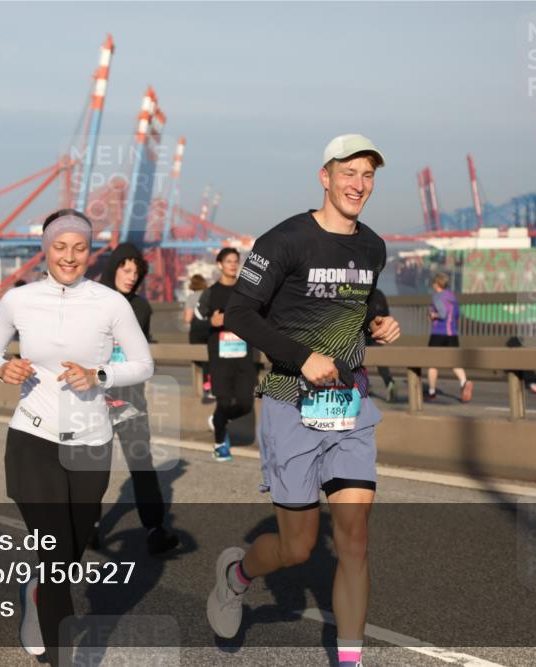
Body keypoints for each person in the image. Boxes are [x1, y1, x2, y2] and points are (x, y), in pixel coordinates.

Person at [206, 135, 401, 667]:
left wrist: (377, 324)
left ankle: (349, 659)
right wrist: (302, 355)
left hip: (349, 404)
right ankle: (237, 574)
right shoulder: (284, 240)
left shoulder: (373, 246)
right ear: (325, 176)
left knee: (355, 537)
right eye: (348, 173)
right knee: (297, 548)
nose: (358, 185)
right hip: (292, 403)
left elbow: (355, 306)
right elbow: (242, 313)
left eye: (368, 175)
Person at [0, 209, 153, 662]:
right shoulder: (19, 299)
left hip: (91, 442)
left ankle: (35, 594)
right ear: (46, 249)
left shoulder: (110, 302)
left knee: (69, 554)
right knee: (58, 559)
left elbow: (143, 363)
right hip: (32, 438)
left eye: (79, 247)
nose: (69, 257)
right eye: (60, 247)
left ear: (90, 252)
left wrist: (99, 374)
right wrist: (3, 368)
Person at [97, 242, 179, 555]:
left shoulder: (142, 307)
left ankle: (156, 529)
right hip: (94, 398)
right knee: (93, 469)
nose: (131, 277)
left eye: (136, 272)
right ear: (113, 268)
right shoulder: (93, 302)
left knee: (141, 463)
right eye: (125, 269)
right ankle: (88, 527)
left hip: (130, 397)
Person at [198, 248, 258, 461]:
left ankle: (217, 420)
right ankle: (219, 444)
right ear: (219, 264)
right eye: (228, 261)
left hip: (243, 358)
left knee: (245, 404)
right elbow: (195, 326)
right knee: (223, 403)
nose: (233, 265)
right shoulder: (210, 293)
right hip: (220, 359)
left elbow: (259, 319)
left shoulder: (246, 292)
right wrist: (210, 323)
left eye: (236, 261)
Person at [426, 272, 473, 402]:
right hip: (452, 334)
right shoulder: (453, 297)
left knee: (432, 364)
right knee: (454, 362)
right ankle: (464, 382)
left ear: (436, 284)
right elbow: (457, 314)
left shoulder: (437, 297)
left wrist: (432, 315)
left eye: (433, 283)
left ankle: (431, 392)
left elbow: (442, 313)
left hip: (438, 334)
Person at [183, 274, 213, 400]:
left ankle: (200, 391)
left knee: (199, 362)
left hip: (197, 333)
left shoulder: (191, 297)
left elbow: (188, 318)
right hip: (211, 330)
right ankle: (211, 385)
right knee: (211, 360)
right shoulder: (210, 294)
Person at [365, 287, 396, 402]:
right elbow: (387, 314)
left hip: (361, 333)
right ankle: (389, 382)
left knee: (358, 360)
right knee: (380, 362)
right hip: (376, 333)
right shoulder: (379, 294)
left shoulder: (360, 291)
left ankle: (364, 385)